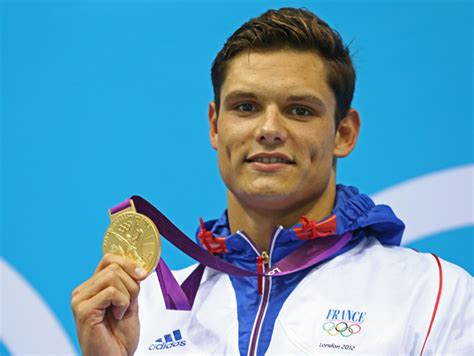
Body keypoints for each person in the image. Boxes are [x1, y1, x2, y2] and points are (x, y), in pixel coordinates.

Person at [71, 7, 473, 356]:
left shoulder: (434, 296)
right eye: (246, 107)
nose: (268, 129)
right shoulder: (143, 308)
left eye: (299, 110)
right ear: (215, 126)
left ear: (344, 133)